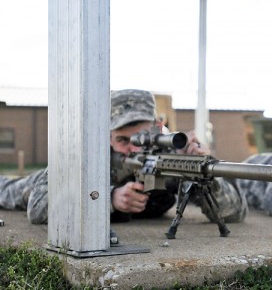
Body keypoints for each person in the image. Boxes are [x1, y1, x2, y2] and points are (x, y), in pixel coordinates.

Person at [0, 89, 247, 240]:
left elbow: (234, 213)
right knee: (8, 191)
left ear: (158, 128)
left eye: (141, 138)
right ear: (106, 136)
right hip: (33, 187)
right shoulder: (88, 157)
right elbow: (38, 207)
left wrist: (204, 173)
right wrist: (107, 198)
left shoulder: (169, 155)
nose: (134, 148)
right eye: (122, 140)